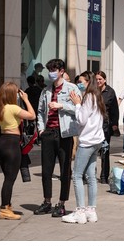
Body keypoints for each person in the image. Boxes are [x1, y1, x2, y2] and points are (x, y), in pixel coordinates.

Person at [34, 58, 81, 217]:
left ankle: (61, 203)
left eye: (54, 69)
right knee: (46, 170)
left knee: (64, 170)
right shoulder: (46, 90)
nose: (51, 73)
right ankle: (47, 201)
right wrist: (41, 129)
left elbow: (79, 109)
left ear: (61, 71)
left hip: (65, 133)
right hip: (48, 133)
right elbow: (40, 111)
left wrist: (61, 105)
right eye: (50, 70)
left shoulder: (71, 88)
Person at [62, 71, 106, 224]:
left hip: (88, 142)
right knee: (91, 176)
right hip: (96, 141)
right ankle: (91, 211)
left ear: (87, 82)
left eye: (81, 81)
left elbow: (81, 119)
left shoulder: (88, 97)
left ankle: (80, 211)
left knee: (77, 175)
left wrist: (77, 104)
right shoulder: (97, 96)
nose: (79, 83)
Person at [0, 82, 36, 219]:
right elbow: (32, 115)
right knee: (10, 179)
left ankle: (7, 205)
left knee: (7, 177)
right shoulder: (12, 108)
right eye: (16, 93)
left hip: (2, 143)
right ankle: (4, 209)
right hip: (12, 144)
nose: (18, 95)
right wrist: (26, 100)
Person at [95, 71, 119, 184]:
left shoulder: (110, 92)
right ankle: (90, 175)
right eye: (97, 79)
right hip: (93, 126)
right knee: (93, 151)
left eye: (100, 79)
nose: (98, 81)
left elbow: (114, 109)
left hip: (105, 126)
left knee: (104, 151)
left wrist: (114, 124)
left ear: (104, 80)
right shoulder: (93, 91)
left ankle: (104, 176)